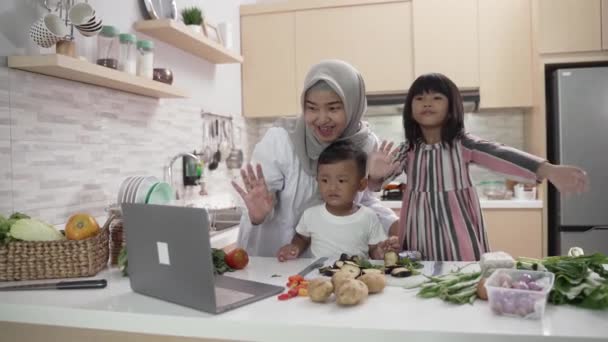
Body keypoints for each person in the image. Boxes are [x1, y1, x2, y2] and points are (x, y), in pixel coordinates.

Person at [368, 73, 589, 261]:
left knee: (465, 278)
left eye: (436, 97)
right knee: (421, 277)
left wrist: (548, 170)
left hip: (459, 228)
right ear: (410, 108)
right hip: (419, 231)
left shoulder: (463, 144)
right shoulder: (408, 149)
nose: (427, 103)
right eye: (419, 98)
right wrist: (375, 176)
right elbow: (377, 184)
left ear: (452, 106)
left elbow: (501, 154)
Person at [232, 60, 398, 257]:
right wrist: (257, 215)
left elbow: (362, 200)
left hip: (330, 263)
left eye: (333, 108)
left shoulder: (366, 144)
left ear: (353, 104)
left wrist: (393, 223)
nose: (321, 118)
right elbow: (256, 200)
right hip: (275, 258)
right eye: (312, 108)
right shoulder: (282, 139)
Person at [276, 141, 400, 261]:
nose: (332, 187)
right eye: (325, 180)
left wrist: (382, 252)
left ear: (361, 184)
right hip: (318, 277)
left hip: (355, 278)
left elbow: (374, 250)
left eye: (341, 181)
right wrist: (294, 248)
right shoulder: (310, 215)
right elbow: (301, 238)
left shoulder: (369, 217)